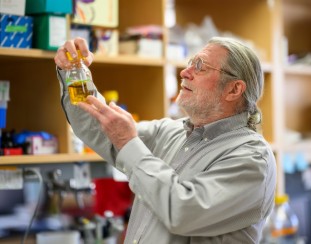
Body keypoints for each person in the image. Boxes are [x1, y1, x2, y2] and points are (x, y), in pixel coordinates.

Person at [55, 36, 277, 244]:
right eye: (190, 63)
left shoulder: (253, 158)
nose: (184, 72)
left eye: (200, 66)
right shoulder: (169, 132)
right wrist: (75, 72)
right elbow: (98, 128)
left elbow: (183, 212)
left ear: (234, 89)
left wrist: (128, 143)